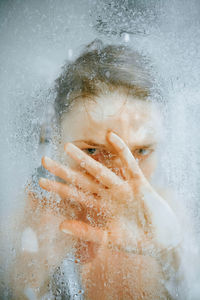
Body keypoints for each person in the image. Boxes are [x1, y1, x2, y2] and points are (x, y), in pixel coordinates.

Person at [12, 39, 183, 299]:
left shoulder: (171, 217)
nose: (118, 177)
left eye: (141, 152)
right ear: (57, 141)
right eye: (92, 152)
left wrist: (167, 249)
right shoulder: (29, 225)